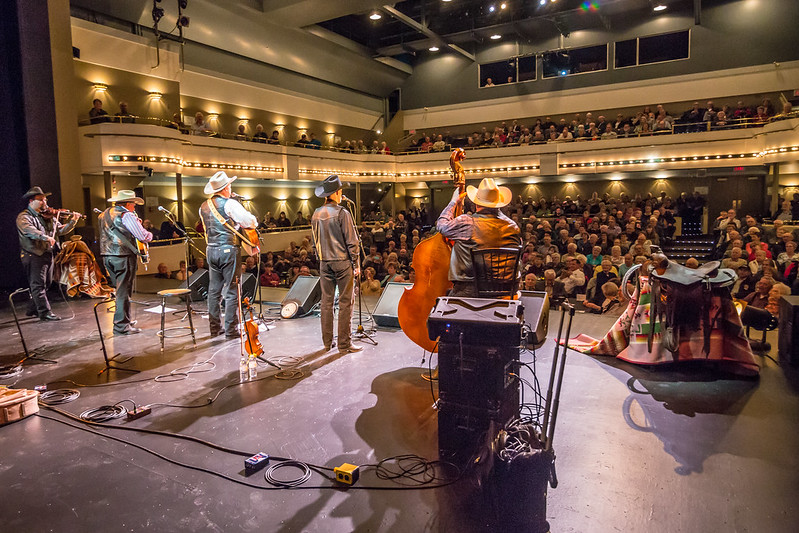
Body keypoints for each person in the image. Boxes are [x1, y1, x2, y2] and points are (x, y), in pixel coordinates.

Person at [436, 177, 522, 297]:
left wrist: (453, 202)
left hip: (472, 289)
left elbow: (441, 226)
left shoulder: (468, 221)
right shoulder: (513, 226)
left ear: (476, 204)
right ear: (499, 204)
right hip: (508, 289)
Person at [199, 171, 258, 339]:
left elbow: (208, 229)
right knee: (232, 290)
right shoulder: (230, 204)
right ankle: (231, 330)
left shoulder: (203, 206)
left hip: (211, 250)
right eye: (229, 185)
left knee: (214, 290)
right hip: (228, 251)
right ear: (225, 188)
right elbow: (250, 222)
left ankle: (214, 329)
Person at [311, 175, 362, 354]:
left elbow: (314, 242)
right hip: (342, 262)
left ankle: (327, 343)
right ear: (337, 193)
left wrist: (321, 258)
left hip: (324, 263)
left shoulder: (316, 213)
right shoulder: (342, 213)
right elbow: (352, 242)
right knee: (346, 302)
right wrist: (356, 263)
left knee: (326, 302)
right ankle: (344, 344)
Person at [16, 186, 80, 320]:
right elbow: (30, 231)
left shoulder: (47, 216)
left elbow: (61, 230)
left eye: (45, 200)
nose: (44, 203)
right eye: (40, 200)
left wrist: (73, 221)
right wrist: (46, 237)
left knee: (47, 283)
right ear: (31, 202)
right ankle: (45, 313)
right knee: (38, 285)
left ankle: (33, 309)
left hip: (47, 254)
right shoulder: (24, 217)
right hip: (33, 254)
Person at [99, 190, 153, 334]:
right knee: (124, 291)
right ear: (128, 204)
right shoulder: (126, 215)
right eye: (134, 204)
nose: (134, 207)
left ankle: (124, 319)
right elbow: (142, 235)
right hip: (123, 256)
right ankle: (121, 326)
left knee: (119, 290)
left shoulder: (104, 213)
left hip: (107, 255)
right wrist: (150, 235)